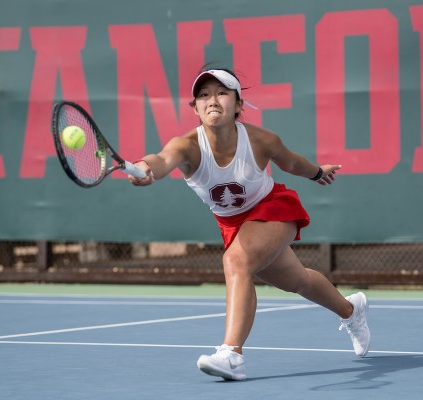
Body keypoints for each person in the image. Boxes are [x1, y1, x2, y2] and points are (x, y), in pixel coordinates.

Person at [128, 68, 370, 381]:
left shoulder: (261, 140)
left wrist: (316, 172)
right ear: (195, 108)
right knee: (298, 282)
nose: (212, 100)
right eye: (203, 95)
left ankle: (231, 354)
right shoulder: (186, 146)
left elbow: (292, 162)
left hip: (273, 208)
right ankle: (352, 310)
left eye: (221, 93)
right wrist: (146, 168)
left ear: (238, 105)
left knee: (235, 260)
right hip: (234, 226)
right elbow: (161, 160)